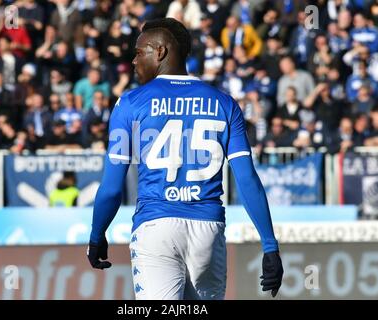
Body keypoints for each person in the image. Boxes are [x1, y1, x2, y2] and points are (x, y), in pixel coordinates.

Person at [87, 18, 283, 300]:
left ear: (161, 52)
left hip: (157, 227)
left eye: (140, 52)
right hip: (209, 230)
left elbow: (111, 188)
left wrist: (97, 235)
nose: (133, 60)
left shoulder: (129, 103)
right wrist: (269, 245)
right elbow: (247, 179)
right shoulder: (224, 103)